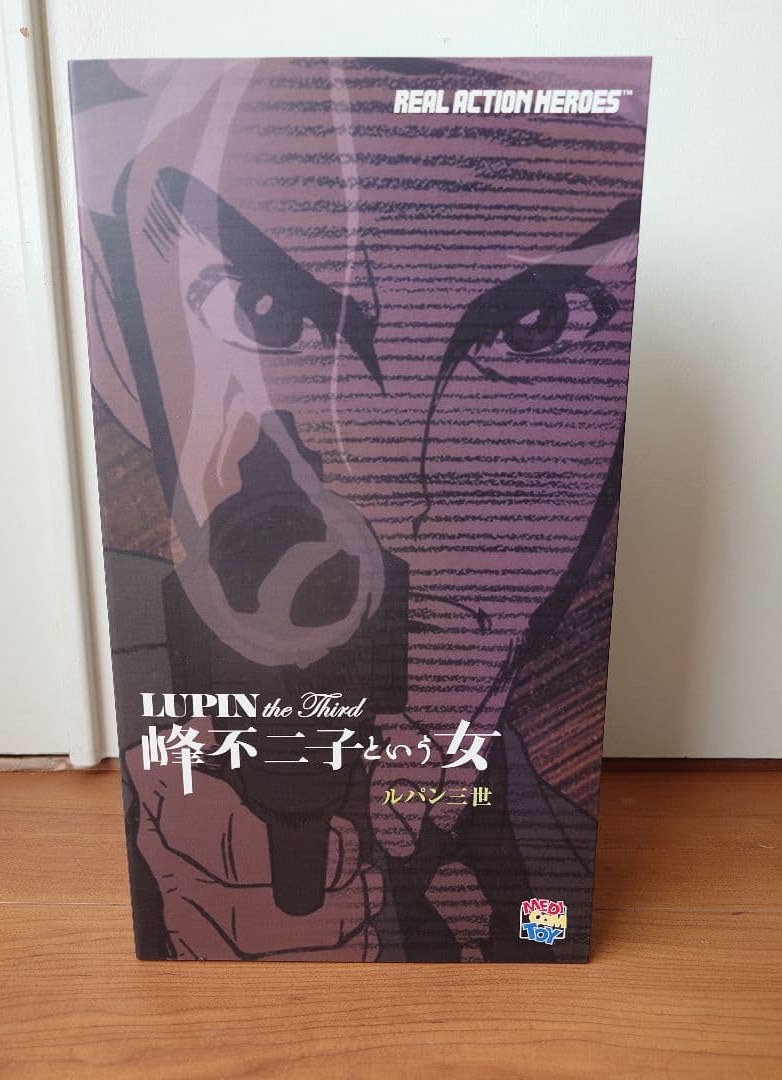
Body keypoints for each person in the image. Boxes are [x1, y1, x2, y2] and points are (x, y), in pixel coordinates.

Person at [71, 56, 648, 961]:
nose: (407, 497)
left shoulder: (553, 871)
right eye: (267, 312)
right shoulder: (139, 710)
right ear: (116, 333)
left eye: (541, 326)